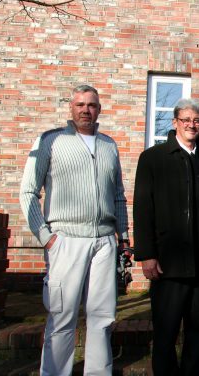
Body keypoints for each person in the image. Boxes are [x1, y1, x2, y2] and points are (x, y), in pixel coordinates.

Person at [20, 85, 129, 376]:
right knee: (62, 315)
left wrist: (124, 236)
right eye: (80, 104)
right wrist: (46, 237)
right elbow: (28, 192)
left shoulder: (109, 145)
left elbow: (118, 194)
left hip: (105, 241)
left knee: (102, 317)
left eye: (92, 105)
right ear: (71, 108)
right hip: (65, 240)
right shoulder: (49, 140)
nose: (86, 110)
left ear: (99, 109)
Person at [133, 98, 199, 375]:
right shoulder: (153, 158)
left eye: (196, 120)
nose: (191, 124)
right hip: (169, 262)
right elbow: (143, 207)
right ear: (175, 122)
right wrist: (147, 254)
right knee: (166, 330)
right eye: (186, 120)